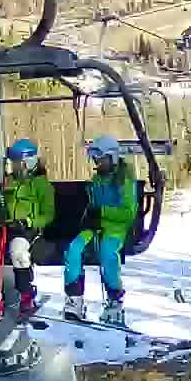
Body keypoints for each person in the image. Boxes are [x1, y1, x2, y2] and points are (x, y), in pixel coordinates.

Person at [64, 134, 138, 327]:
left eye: (101, 159)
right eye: (96, 160)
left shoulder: (124, 180)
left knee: (108, 253)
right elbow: (93, 205)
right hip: (95, 227)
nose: (98, 163)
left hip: (115, 228)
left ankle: (114, 301)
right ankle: (75, 299)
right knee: (74, 248)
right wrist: (90, 214)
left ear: (112, 158)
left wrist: (103, 212)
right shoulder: (97, 180)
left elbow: (128, 213)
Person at [0, 138, 55, 319]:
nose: (14, 166)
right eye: (12, 162)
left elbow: (48, 214)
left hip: (26, 230)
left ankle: (26, 294)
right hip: (5, 227)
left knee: (18, 252)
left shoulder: (41, 184)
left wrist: (29, 221)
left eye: (17, 163)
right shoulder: (9, 182)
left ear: (28, 162)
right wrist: (0, 209)